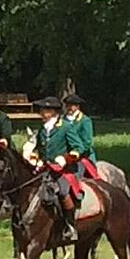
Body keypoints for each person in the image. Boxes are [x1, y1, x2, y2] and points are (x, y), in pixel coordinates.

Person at [32, 96, 88, 242]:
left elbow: (78, 147)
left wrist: (66, 159)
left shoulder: (65, 127)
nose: (42, 112)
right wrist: (35, 159)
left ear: (53, 112)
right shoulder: (43, 130)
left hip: (64, 169)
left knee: (63, 191)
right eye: (42, 109)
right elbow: (39, 149)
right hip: (46, 169)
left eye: (45, 109)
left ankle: (70, 225)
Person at [63, 93, 99, 178]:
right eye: (67, 105)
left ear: (77, 106)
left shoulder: (85, 121)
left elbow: (87, 142)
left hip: (83, 156)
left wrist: (75, 154)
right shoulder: (62, 121)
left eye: (71, 105)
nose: (69, 108)